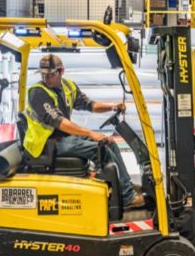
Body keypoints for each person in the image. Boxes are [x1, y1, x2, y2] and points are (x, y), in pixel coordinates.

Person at [23, 54, 144, 209]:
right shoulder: (38, 93)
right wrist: (90, 133)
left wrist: (112, 106)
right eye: (43, 75)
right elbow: (59, 122)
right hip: (46, 144)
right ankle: (127, 197)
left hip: (62, 138)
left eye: (51, 75)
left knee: (110, 143)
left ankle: (125, 186)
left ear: (61, 71)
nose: (46, 79)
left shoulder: (68, 86)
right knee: (102, 150)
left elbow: (89, 105)